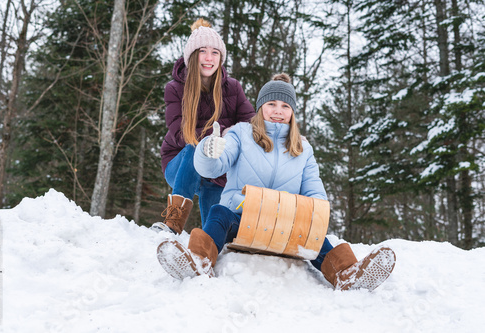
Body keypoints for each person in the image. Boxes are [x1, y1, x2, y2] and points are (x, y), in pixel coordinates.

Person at [156, 74, 396, 291]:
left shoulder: (303, 149)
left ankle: (347, 274)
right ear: (261, 108)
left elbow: (315, 193)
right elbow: (213, 168)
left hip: (285, 226)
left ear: (292, 111)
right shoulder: (240, 134)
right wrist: (209, 152)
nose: (278, 111)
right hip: (243, 219)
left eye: (284, 106)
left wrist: (312, 219)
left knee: (317, 237)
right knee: (218, 213)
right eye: (271, 104)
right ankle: (198, 261)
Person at [152, 18, 255, 234]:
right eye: (203, 52)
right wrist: (214, 138)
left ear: (221, 57)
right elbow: (179, 133)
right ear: (192, 55)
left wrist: (284, 135)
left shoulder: (233, 87)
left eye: (215, 53)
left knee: (215, 228)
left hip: (216, 170)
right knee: (194, 148)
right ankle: (173, 222)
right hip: (180, 164)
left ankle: (211, 242)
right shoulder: (175, 88)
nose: (209, 58)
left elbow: (251, 124)